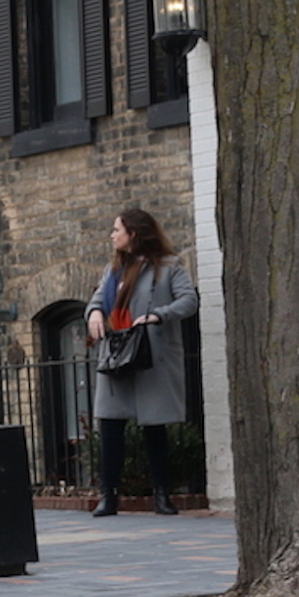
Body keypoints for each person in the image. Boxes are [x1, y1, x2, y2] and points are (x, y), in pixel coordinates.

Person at [86, 209, 199, 517]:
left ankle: (162, 495)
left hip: (152, 354)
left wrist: (159, 314)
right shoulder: (113, 271)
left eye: (116, 229)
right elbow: (96, 300)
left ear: (133, 233)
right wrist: (95, 314)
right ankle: (108, 496)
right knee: (110, 426)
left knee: (154, 427)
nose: (112, 235)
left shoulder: (169, 267)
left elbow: (189, 301)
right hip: (117, 353)